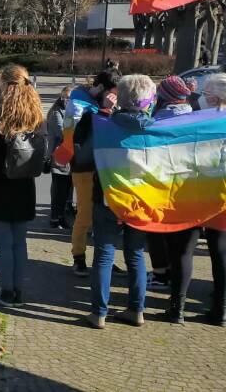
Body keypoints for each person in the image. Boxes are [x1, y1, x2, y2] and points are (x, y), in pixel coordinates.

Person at [159, 73, 226, 326]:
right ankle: (221, 311)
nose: (201, 98)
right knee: (221, 250)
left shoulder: (198, 121)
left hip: (195, 192)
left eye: (205, 94)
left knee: (183, 250)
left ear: (216, 97)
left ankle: (177, 309)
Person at [82, 75, 148, 329]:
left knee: (104, 256)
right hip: (141, 199)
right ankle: (137, 309)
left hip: (108, 197)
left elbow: (85, 153)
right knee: (136, 255)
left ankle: (99, 313)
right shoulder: (155, 127)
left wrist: (104, 111)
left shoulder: (105, 123)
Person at [0, 65, 44, 307]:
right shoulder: (34, 114)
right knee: (19, 241)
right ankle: (18, 289)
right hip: (25, 183)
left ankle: (6, 290)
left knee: (3, 241)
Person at [64, 71, 119, 277]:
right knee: (85, 214)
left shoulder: (102, 104)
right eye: (114, 93)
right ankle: (78, 257)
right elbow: (72, 132)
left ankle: (104, 258)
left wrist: (111, 111)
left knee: (104, 216)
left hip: (104, 166)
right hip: (84, 166)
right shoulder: (78, 102)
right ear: (103, 89)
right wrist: (104, 110)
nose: (116, 97)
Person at [146, 75, 195, 290]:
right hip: (187, 185)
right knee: (179, 237)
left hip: (161, 183)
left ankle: (160, 273)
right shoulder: (195, 117)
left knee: (156, 230)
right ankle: (177, 275)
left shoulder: (158, 121)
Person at [46, 86, 74, 229]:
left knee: (67, 189)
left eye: (69, 98)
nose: (66, 100)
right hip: (59, 157)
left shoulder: (71, 112)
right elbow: (63, 133)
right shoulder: (56, 112)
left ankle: (62, 216)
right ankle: (55, 218)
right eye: (64, 97)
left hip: (70, 157)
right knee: (59, 189)